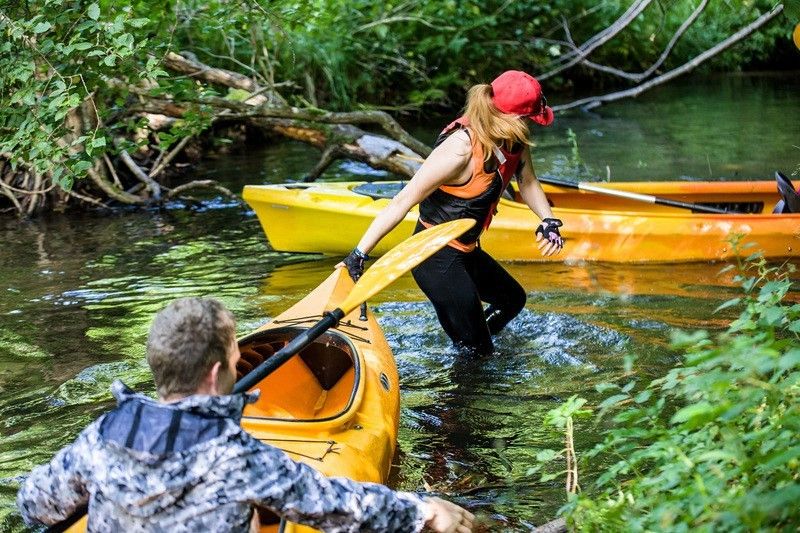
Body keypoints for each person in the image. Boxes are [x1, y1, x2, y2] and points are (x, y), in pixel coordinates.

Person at [17, 297, 474, 533]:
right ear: (219, 370)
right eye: (237, 351)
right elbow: (340, 507)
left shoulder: (104, 434)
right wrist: (426, 512)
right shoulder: (233, 454)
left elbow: (34, 503)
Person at [341, 70, 564, 355]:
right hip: (436, 257)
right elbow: (403, 200)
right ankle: (467, 361)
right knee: (479, 353)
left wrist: (548, 221)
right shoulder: (460, 149)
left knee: (511, 300)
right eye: (527, 119)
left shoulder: (513, 139)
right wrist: (358, 255)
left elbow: (528, 181)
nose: (529, 125)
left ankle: (470, 343)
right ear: (509, 116)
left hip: (466, 251)